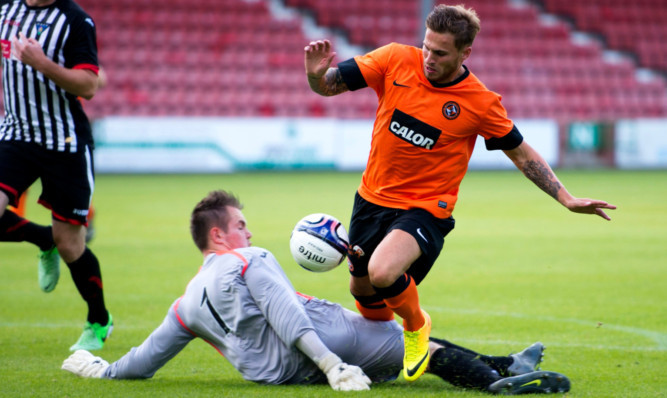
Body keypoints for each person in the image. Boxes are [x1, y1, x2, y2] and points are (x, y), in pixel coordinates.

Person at [303, 4, 617, 382]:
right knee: (372, 308)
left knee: (383, 272)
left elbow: (520, 152)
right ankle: (499, 364)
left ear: (464, 53)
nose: (428, 59)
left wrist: (565, 197)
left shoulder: (480, 102)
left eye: (440, 53)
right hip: (370, 202)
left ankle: (417, 324)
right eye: (426, 47)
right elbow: (329, 84)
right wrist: (315, 76)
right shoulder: (393, 59)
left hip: (425, 211)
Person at [61, 190, 571, 395]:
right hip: (318, 341)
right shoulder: (247, 259)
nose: (250, 233)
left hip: (278, 373)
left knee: (388, 328)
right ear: (218, 235)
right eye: (241, 224)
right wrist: (333, 365)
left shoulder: (185, 304)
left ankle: (507, 362)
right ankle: (496, 382)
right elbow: (286, 314)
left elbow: (147, 359)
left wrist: (102, 368)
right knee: (414, 343)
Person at [0, 0, 112, 350]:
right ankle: (41, 238)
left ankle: (99, 320)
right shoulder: (4, 10)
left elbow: (89, 86)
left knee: (71, 244)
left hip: (64, 142)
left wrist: (42, 63)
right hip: (15, 135)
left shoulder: (76, 21)